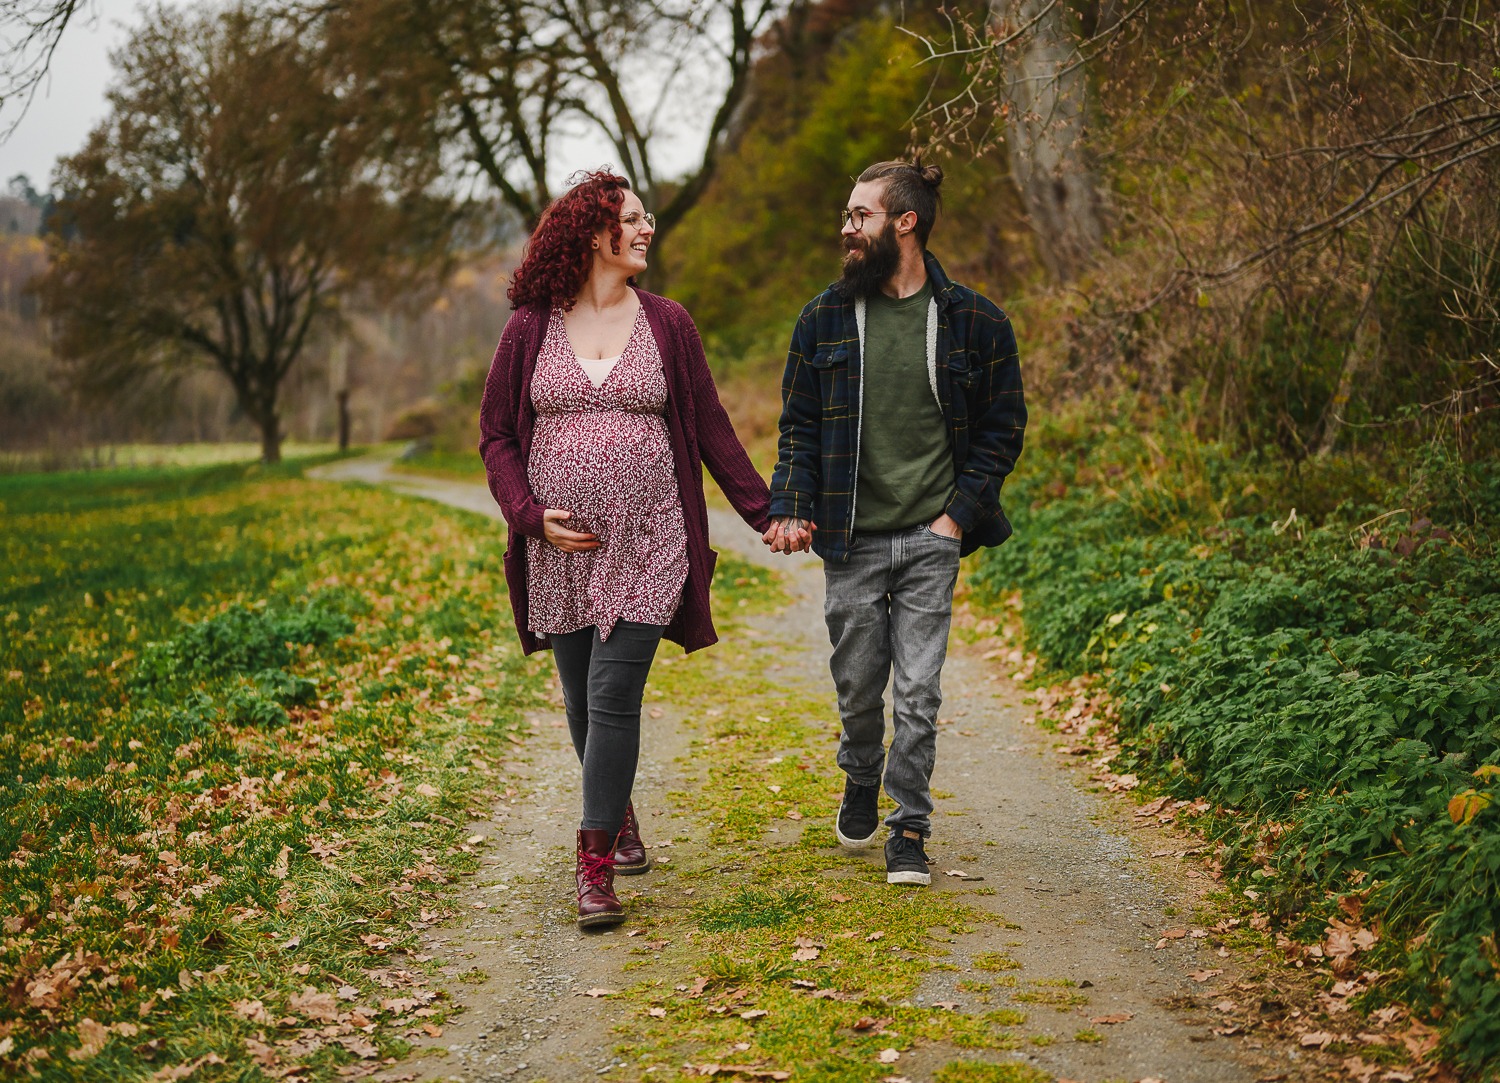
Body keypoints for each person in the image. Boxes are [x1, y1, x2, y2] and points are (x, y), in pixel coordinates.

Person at [478, 169, 772, 928]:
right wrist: (529, 516)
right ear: (591, 233)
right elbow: (497, 435)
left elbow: (710, 426)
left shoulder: (668, 322)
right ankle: (618, 811)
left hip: (652, 539)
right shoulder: (530, 326)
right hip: (561, 549)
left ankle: (594, 866)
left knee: (612, 696)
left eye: (646, 218)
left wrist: (765, 512)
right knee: (582, 700)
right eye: (632, 219)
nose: (647, 230)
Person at [766, 159, 1026, 886]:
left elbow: (1004, 427)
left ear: (906, 222)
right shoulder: (822, 318)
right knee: (859, 687)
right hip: (849, 538)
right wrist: (791, 504)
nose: (846, 228)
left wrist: (957, 517)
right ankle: (861, 771)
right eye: (847, 215)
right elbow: (799, 427)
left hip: (929, 537)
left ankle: (909, 825)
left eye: (862, 215)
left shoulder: (976, 321)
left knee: (918, 692)